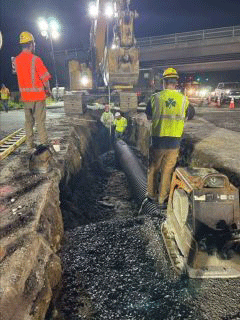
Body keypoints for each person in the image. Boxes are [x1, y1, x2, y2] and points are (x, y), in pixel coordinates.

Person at [144, 67, 189, 209]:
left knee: (153, 169)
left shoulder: (155, 98)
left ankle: (151, 195)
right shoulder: (183, 100)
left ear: (163, 82)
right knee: (167, 171)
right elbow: (189, 116)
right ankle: (162, 199)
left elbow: (149, 116)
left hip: (158, 141)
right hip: (174, 142)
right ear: (176, 83)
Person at [15, 31, 51, 151]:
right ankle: (44, 144)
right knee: (40, 121)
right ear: (31, 44)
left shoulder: (17, 60)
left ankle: (30, 145)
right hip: (38, 96)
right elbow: (45, 78)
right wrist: (48, 89)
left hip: (25, 97)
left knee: (28, 122)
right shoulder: (35, 59)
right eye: (34, 43)